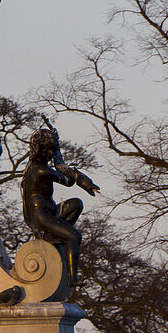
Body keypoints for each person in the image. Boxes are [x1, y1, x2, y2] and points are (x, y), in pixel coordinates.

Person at [20, 121, 100, 285]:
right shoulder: (41, 170)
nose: (50, 153)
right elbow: (68, 181)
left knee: (76, 204)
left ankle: (56, 236)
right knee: (74, 235)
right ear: (40, 150)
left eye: (52, 150)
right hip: (42, 216)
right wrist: (63, 163)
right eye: (49, 150)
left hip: (50, 211)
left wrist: (58, 154)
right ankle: (72, 278)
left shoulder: (39, 165)